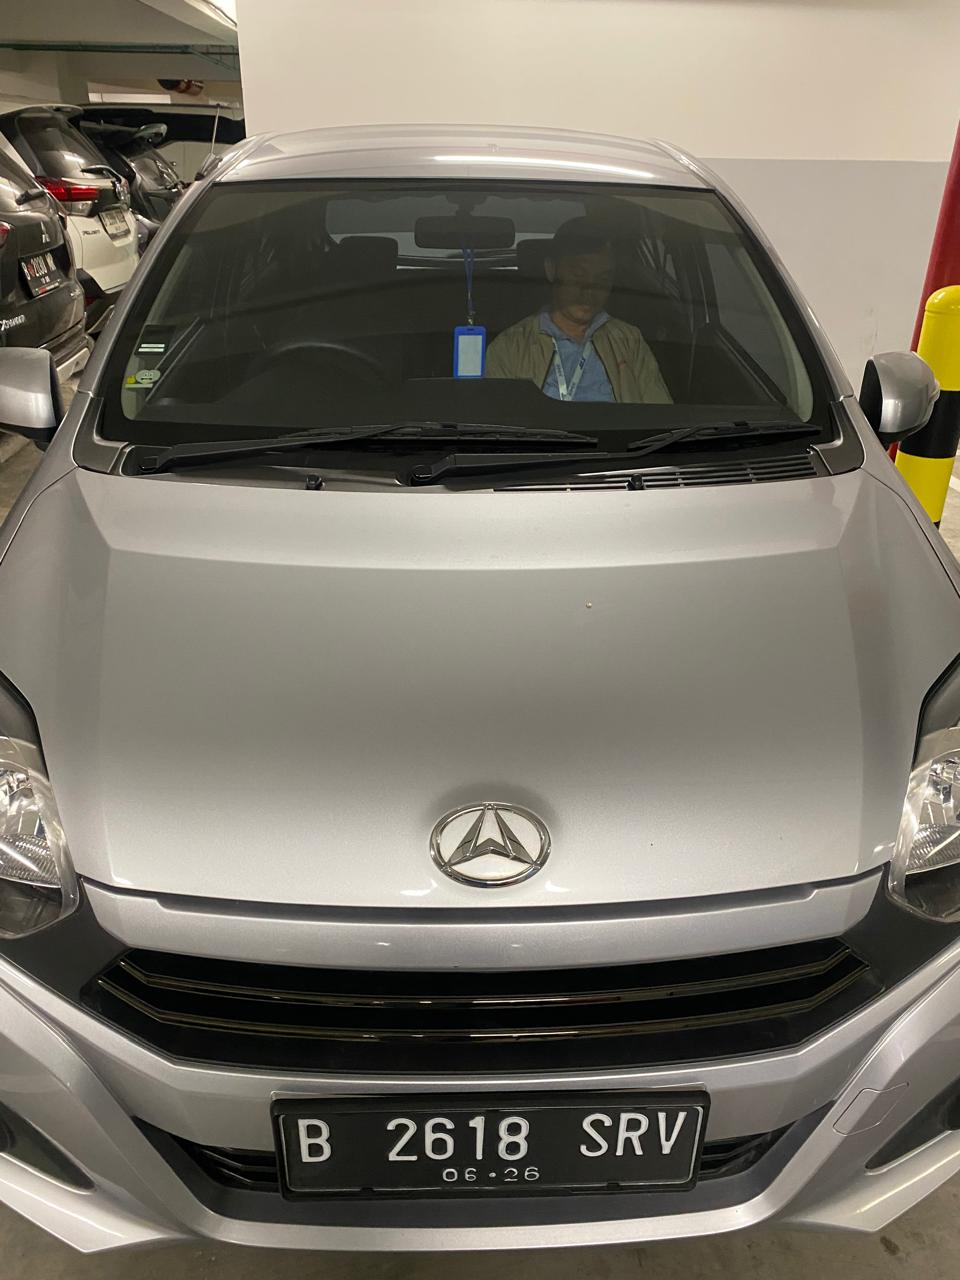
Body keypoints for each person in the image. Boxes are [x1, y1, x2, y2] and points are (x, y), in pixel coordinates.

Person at [486, 218, 671, 404]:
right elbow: (496, 416)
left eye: (602, 280)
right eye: (578, 276)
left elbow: (660, 412)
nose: (589, 290)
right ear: (551, 270)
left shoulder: (629, 341)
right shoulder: (510, 347)